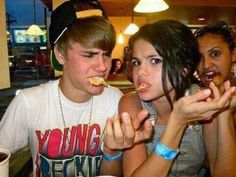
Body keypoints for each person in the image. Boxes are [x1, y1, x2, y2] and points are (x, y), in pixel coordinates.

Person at [0, 1, 124, 176]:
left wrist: (112, 151)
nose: (103, 66)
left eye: (107, 54)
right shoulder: (29, 102)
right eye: (89, 55)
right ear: (60, 53)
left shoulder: (115, 100)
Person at [105, 20, 236, 177]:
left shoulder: (203, 100)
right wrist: (177, 121)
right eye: (136, 62)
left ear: (183, 69)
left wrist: (224, 112)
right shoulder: (132, 103)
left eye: (155, 60)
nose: (140, 71)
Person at [194, 21, 236, 128]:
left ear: (233, 54)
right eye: (199, 58)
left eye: (215, 54)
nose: (205, 65)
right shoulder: (190, 101)